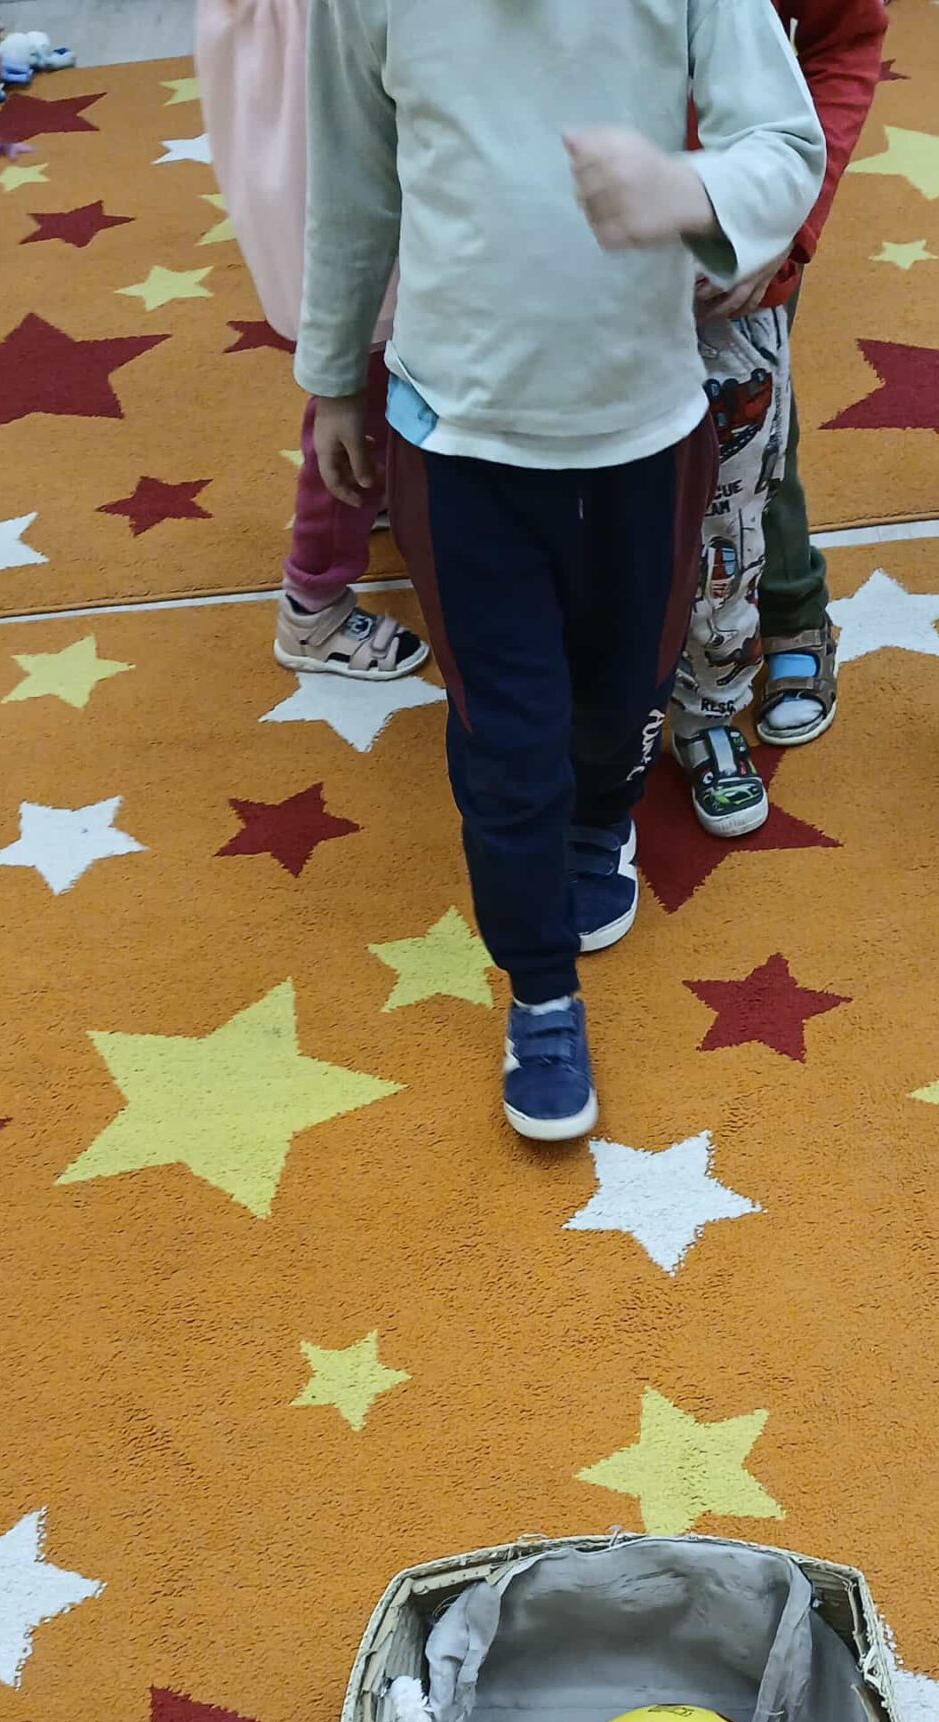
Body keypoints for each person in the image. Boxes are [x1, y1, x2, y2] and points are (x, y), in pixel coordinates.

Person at [298, 0, 824, 1140]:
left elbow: (787, 143)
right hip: (460, 442)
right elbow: (352, 181)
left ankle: (600, 818)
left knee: (621, 696)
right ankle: (541, 993)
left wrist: (690, 190)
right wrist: (334, 374)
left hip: (645, 430)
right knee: (507, 741)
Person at [671, 0, 885, 838]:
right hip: (554, 258)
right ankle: (620, 699)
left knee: (747, 455)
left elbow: (846, 37)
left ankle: (776, 625)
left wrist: (791, 223)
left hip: (734, 254)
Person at [194, 0, 426, 679]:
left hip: (311, 103)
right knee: (362, 383)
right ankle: (312, 602)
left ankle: (375, 494)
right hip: (332, 134)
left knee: (371, 363)